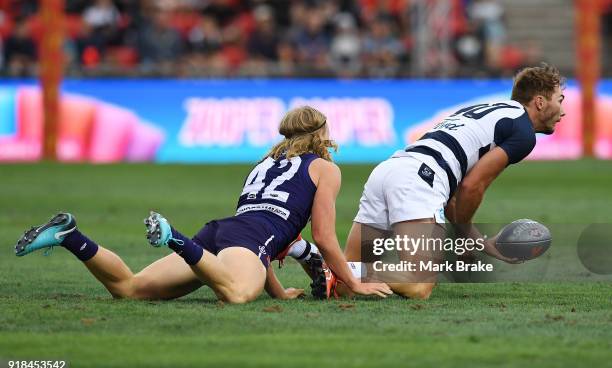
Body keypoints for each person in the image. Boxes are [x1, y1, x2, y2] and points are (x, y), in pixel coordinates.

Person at [14, 106, 392, 304]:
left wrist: (277, 292)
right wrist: (354, 284)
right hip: (243, 242)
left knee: (130, 289)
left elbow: (259, 236)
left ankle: (70, 236)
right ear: (321, 133)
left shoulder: (262, 164)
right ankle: (174, 238)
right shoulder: (325, 169)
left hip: (221, 233)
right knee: (237, 294)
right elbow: (324, 237)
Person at [317, 63, 566, 299]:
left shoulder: (492, 110)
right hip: (421, 178)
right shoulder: (523, 133)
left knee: (351, 283)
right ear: (540, 102)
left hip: (390, 169)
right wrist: (466, 233)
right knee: (418, 284)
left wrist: (472, 238)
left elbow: (456, 189)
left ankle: (338, 272)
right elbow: (472, 185)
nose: (563, 110)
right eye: (560, 100)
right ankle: (336, 271)